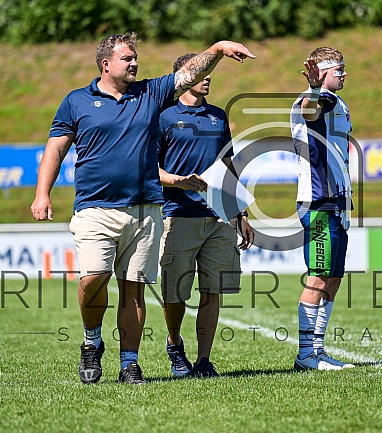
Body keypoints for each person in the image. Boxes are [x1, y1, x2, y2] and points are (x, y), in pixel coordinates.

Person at [31, 32, 254, 385]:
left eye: (136, 57)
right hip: (95, 207)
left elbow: (189, 74)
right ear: (106, 64)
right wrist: (42, 193)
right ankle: (91, 341)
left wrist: (217, 50)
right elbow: (55, 149)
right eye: (127, 58)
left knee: (133, 288)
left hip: (145, 210)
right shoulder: (76, 101)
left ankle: (129, 364)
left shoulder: (150, 94)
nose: (135, 62)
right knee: (93, 279)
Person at [157, 53, 255, 378]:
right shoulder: (163, 116)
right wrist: (178, 181)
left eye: (210, 71)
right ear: (184, 77)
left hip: (220, 217)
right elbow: (148, 168)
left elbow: (229, 167)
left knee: (213, 290)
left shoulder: (218, 116)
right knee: (174, 294)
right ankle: (174, 342)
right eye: (202, 71)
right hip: (178, 216)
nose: (208, 76)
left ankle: (203, 361)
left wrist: (241, 214)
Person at [290, 47, 355, 371]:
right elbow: (308, 111)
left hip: (338, 202)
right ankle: (305, 355)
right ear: (321, 71)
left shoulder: (339, 102)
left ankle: (317, 349)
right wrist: (314, 88)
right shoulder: (314, 98)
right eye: (338, 69)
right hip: (317, 201)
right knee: (317, 277)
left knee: (334, 277)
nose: (344, 74)